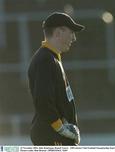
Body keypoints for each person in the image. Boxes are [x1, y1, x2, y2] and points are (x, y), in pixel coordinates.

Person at [27, 12, 85, 145]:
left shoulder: (51, 58)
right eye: (71, 32)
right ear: (58, 33)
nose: (74, 38)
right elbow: (43, 99)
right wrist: (60, 128)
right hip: (52, 136)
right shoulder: (45, 60)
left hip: (55, 136)